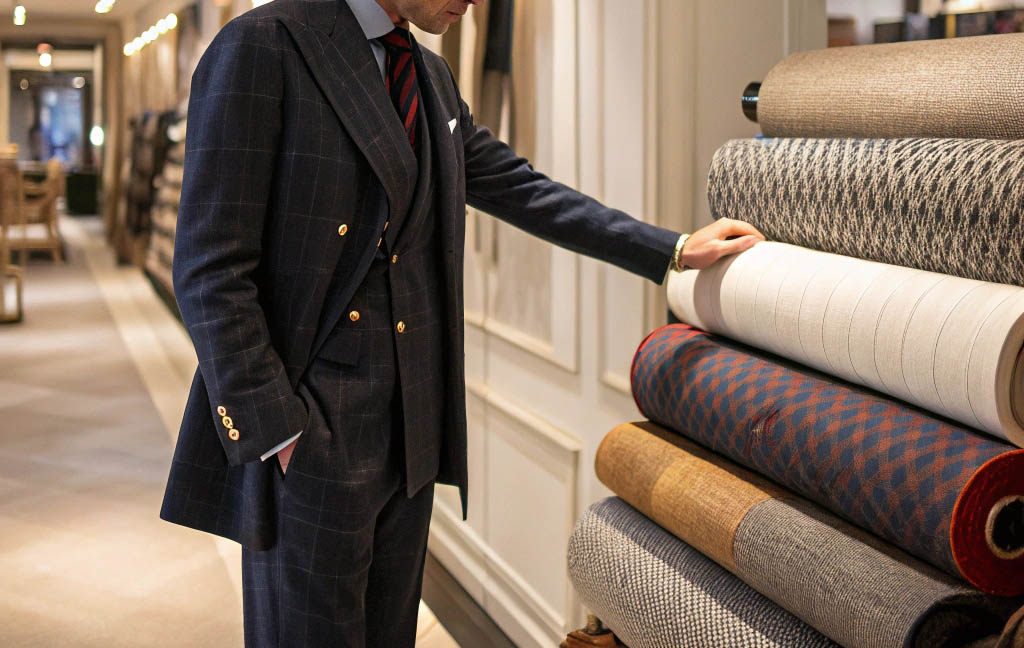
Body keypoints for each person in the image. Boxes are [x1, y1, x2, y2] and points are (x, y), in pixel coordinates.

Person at [160, 0, 764, 646]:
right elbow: (209, 267)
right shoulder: (264, 45)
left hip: (413, 438)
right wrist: (280, 433)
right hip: (311, 442)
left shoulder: (430, 76)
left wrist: (671, 249)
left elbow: (524, 190)